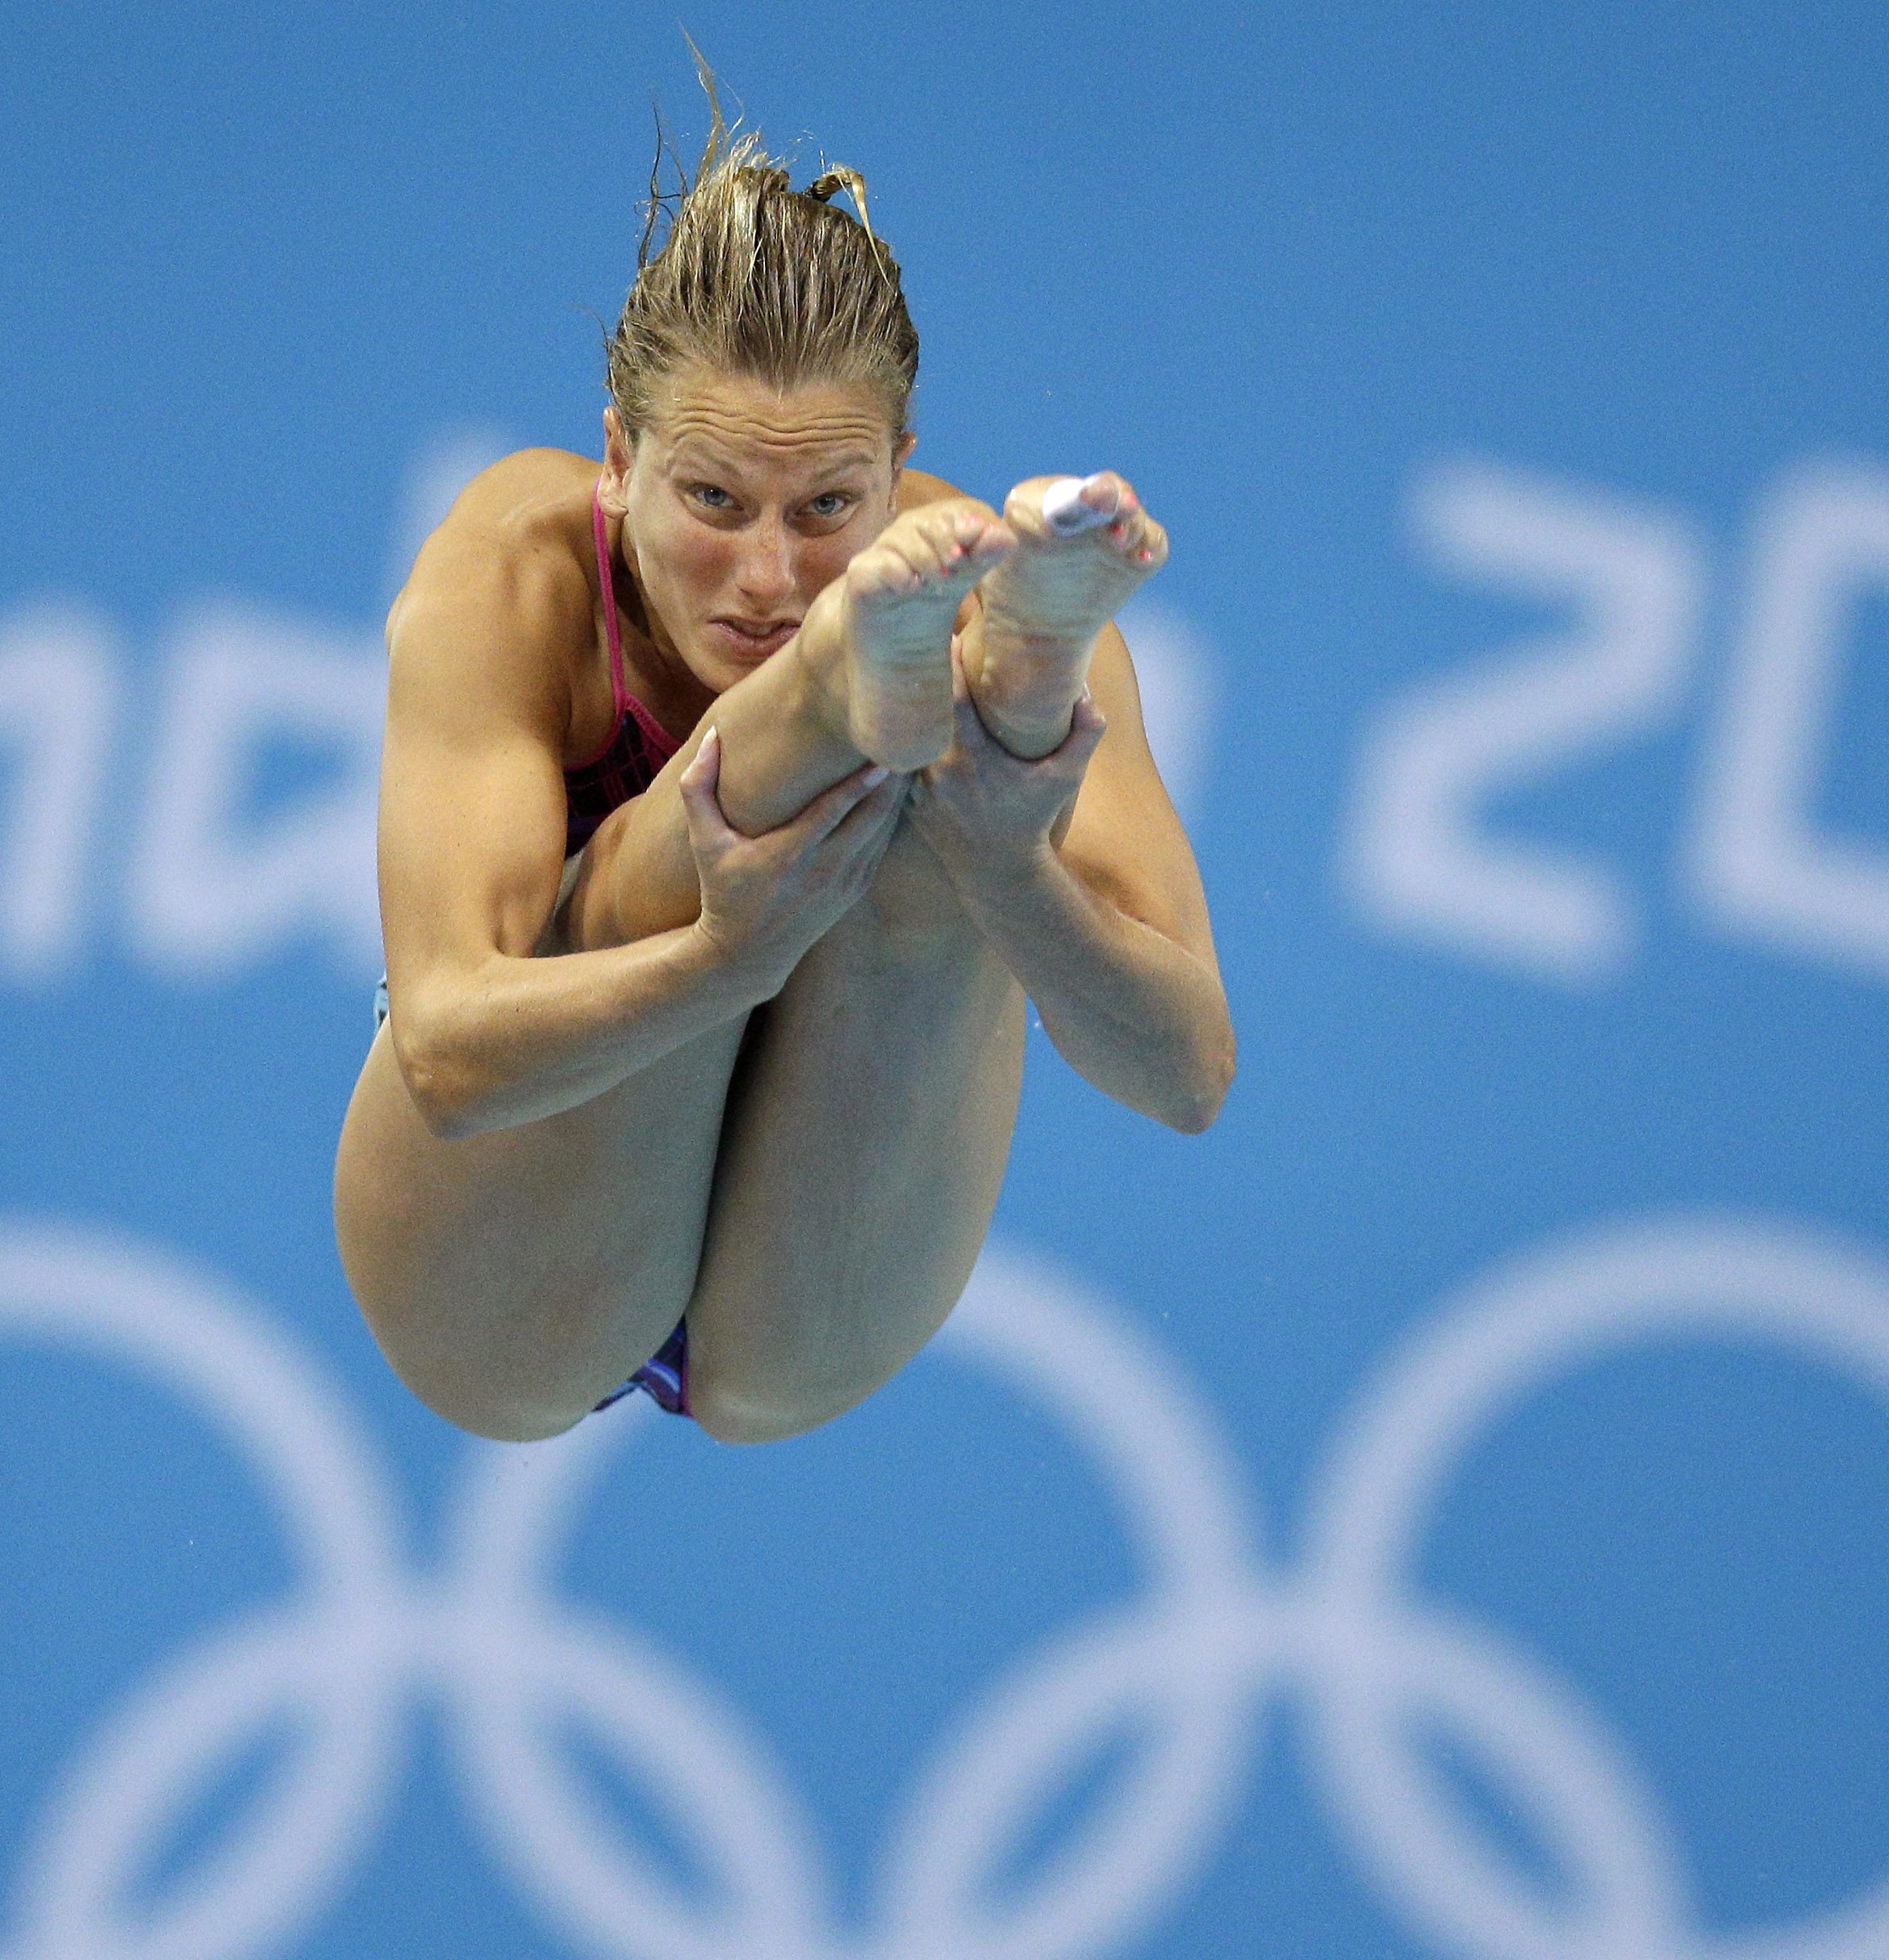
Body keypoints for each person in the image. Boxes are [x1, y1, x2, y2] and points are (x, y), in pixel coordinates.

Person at [333, 90, 1230, 1446]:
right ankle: (839, 688)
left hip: (806, 1306)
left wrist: (1006, 863)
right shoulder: (512, 574)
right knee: (679, 849)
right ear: (621, 462)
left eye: (825, 510)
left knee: (935, 846)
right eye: (710, 501)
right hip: (504, 1282)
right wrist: (721, 962)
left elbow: (1187, 1074)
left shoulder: (974, 572)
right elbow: (450, 1058)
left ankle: (921, 737)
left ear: (898, 469)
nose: (763, 574)